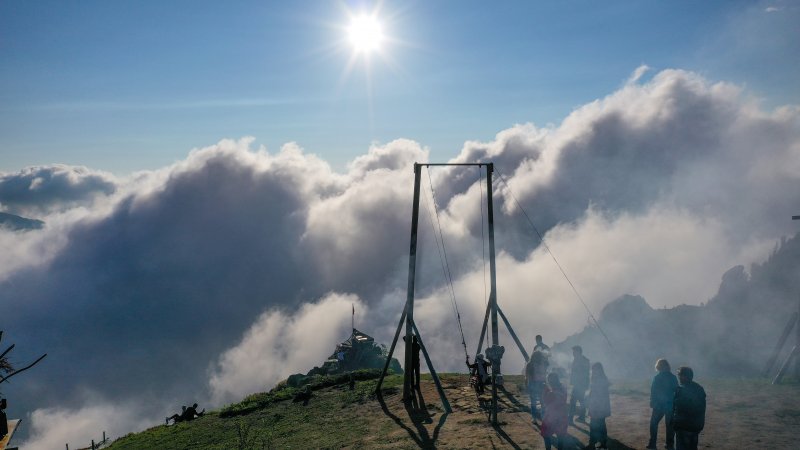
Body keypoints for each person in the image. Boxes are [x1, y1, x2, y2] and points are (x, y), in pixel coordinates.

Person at [647, 359, 678, 450]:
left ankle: (652, 443)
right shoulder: (673, 377)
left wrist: (652, 401)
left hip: (659, 405)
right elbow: (676, 391)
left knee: (653, 424)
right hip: (670, 405)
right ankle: (669, 445)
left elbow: (653, 391)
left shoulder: (657, 377)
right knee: (670, 426)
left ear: (658, 367)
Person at [672, 367, 706, 450]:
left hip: (683, 426)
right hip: (695, 427)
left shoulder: (681, 390)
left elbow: (678, 409)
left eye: (680, 375)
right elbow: (702, 409)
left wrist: (675, 423)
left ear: (685, 376)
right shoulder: (699, 388)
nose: (678, 377)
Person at [540, 372, 568, 450]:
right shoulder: (563, 387)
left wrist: (545, 391)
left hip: (551, 417)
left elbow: (545, 401)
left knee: (546, 434)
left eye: (549, 381)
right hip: (562, 416)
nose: (549, 382)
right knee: (560, 436)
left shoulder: (551, 392)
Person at [586, 362, 611, 449]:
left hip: (599, 407)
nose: (594, 372)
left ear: (600, 370)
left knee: (598, 425)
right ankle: (595, 443)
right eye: (593, 370)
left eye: (596, 370)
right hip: (595, 406)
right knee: (596, 425)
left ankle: (599, 443)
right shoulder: (595, 379)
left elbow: (601, 395)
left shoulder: (601, 380)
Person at [569, 345, 590, 424]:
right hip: (578, 384)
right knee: (581, 401)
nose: (573, 353)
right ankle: (581, 417)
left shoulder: (583, 360)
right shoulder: (577, 359)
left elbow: (585, 374)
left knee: (573, 401)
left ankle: (570, 419)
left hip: (580, 384)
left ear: (578, 351)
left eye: (574, 351)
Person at [526, 349, 549, 420]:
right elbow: (528, 375)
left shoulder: (533, 364)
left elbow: (528, 375)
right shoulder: (533, 364)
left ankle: (536, 417)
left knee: (537, 402)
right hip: (537, 383)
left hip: (536, 383)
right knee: (540, 401)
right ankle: (539, 417)